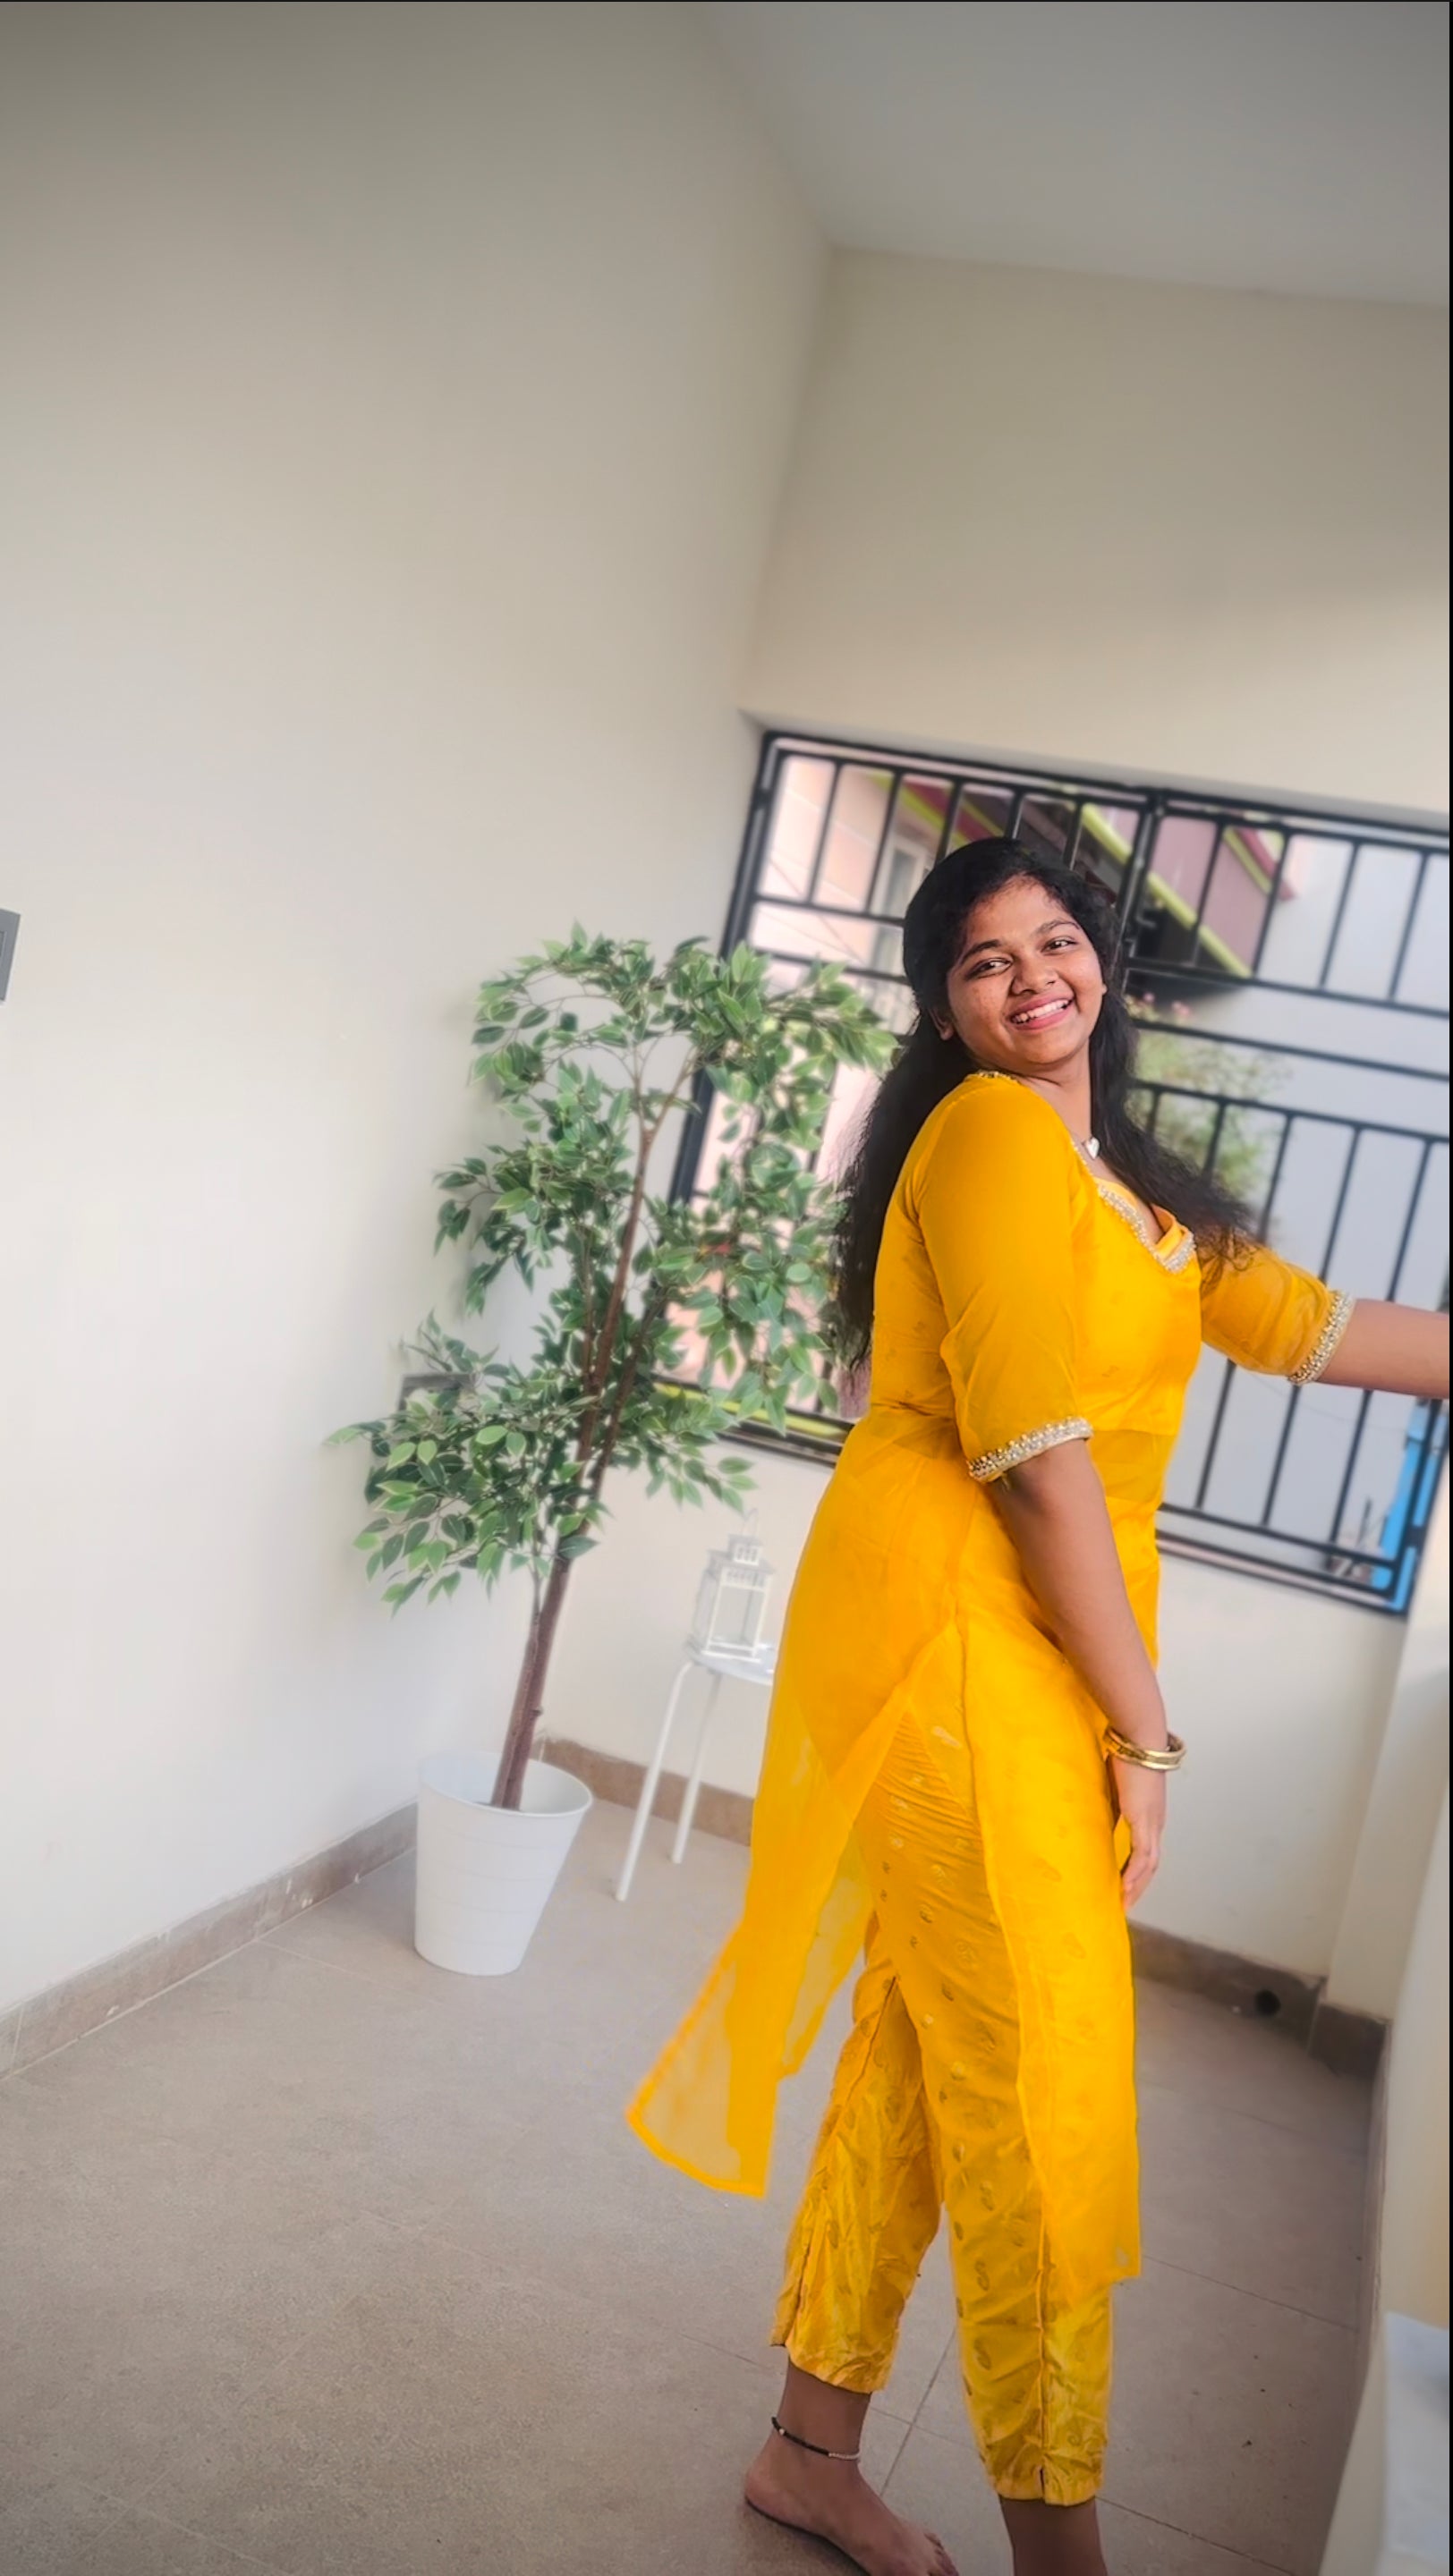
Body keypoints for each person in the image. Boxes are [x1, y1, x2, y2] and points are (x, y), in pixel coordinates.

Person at [628, 839, 1449, 2576]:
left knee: (936, 2052)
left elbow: (1318, 1330)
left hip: (1033, 1633)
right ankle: (1057, 2550)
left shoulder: (1125, 1193)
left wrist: (1115, 1709)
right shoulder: (993, 1135)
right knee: (1042, 2088)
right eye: (985, 961)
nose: (1032, 978)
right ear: (945, 1011)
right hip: (954, 1618)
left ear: (1107, 968)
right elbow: (1033, 1460)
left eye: (1055, 941)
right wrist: (1143, 1734)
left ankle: (804, 2455)